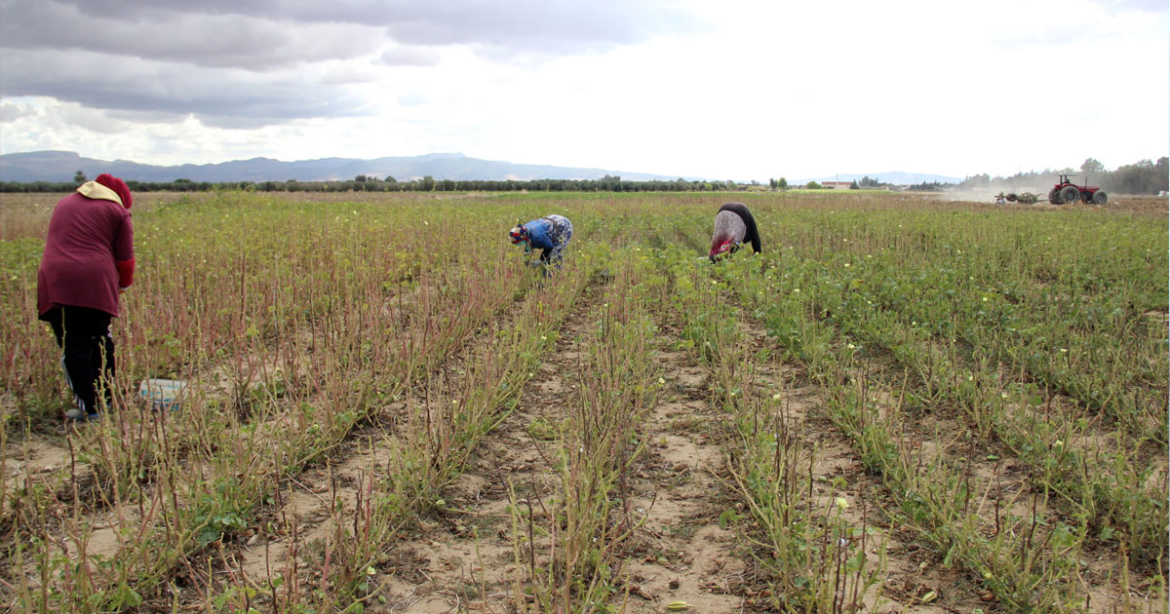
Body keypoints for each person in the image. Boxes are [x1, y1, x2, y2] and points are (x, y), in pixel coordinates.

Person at [37, 173, 135, 422]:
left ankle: (90, 408)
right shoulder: (118, 211)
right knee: (100, 339)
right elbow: (125, 259)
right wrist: (123, 286)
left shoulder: (65, 202)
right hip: (97, 279)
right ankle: (105, 402)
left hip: (57, 279)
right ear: (118, 197)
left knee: (73, 342)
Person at [509, 214, 573, 268]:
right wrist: (526, 259)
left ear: (523, 238)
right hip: (552, 221)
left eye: (519, 243)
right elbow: (528, 245)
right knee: (548, 257)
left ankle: (553, 274)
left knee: (554, 255)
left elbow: (549, 246)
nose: (520, 244)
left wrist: (540, 260)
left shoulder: (537, 236)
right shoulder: (524, 231)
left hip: (563, 225)